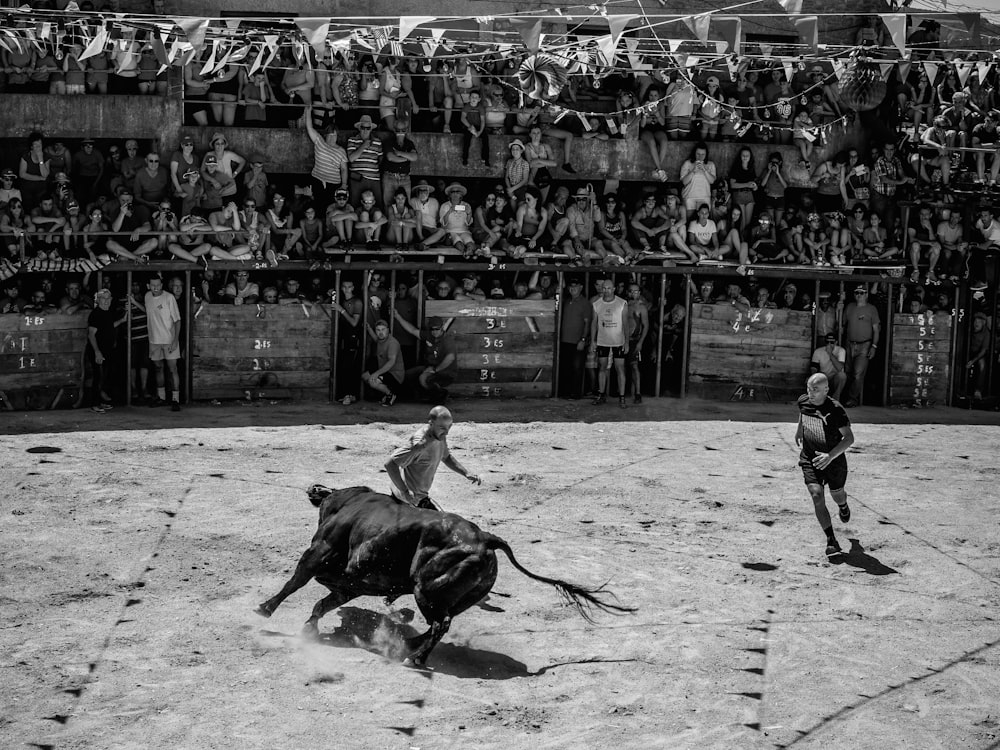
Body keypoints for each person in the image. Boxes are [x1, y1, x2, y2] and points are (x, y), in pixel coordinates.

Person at [795, 372, 855, 558]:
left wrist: (830, 456)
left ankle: (843, 505)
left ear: (826, 390)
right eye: (809, 389)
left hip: (834, 460)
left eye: (815, 390)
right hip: (810, 458)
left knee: (837, 495)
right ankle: (831, 540)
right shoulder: (804, 401)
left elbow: (849, 438)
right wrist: (799, 430)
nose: (811, 393)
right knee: (816, 494)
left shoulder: (835, 409)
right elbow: (803, 413)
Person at [384, 405, 482, 510]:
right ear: (431, 424)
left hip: (417, 497)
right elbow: (390, 464)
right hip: (411, 500)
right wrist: (405, 492)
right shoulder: (419, 444)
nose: (447, 432)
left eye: (449, 426)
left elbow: (446, 457)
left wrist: (465, 472)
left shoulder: (439, 436)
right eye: (442, 428)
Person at [589, 278, 628, 408]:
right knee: (602, 367)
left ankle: (622, 397)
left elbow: (626, 324)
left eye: (609, 288)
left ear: (614, 289)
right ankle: (601, 395)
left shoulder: (622, 303)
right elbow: (594, 323)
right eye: (604, 288)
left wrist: (626, 342)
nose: (606, 290)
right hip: (602, 341)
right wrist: (593, 340)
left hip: (618, 342)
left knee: (620, 368)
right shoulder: (597, 304)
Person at [145, 275, 182, 411]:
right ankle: (161, 398)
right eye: (153, 285)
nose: (156, 288)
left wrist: (175, 340)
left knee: (173, 369)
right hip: (154, 340)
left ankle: (175, 399)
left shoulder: (169, 298)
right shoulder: (147, 297)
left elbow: (177, 320)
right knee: (158, 368)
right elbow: (149, 312)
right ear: (148, 286)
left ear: (162, 285)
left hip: (169, 340)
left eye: (158, 285)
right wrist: (133, 302)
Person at [87, 288, 127, 413]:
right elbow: (91, 334)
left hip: (108, 350)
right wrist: (97, 352)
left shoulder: (108, 312)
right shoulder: (95, 314)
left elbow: (109, 327)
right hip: (98, 351)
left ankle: (100, 402)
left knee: (104, 377)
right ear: (98, 300)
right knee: (98, 377)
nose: (105, 301)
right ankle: (94, 404)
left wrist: (122, 320)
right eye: (103, 299)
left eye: (108, 298)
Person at [842, 283, 881, 408]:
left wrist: (874, 346)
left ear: (867, 295)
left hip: (864, 345)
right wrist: (839, 308)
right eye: (857, 292)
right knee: (846, 372)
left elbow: (876, 329)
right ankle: (843, 398)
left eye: (862, 293)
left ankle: (853, 399)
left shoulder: (871, 309)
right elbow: (842, 324)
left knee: (858, 374)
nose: (859, 295)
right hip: (849, 343)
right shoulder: (849, 307)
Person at [559, 277, 592, 399]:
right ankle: (565, 393)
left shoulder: (585, 303)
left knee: (577, 368)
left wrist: (583, 339)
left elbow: (587, 323)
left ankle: (576, 394)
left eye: (576, 286)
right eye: (571, 286)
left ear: (581, 287)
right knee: (565, 368)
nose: (573, 288)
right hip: (564, 341)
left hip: (577, 342)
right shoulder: (566, 301)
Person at [362, 318, 405, 406]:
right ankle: (384, 393)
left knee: (372, 381)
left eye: (383, 329)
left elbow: (391, 362)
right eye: (378, 330)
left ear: (388, 330)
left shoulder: (392, 343)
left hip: (395, 375)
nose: (380, 332)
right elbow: (376, 338)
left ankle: (390, 394)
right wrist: (369, 328)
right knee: (365, 376)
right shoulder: (381, 340)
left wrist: (376, 374)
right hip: (385, 372)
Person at [810, 332, 848, 401]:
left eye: (832, 342)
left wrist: (830, 354)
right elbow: (813, 367)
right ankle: (820, 399)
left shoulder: (841, 350)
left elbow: (840, 368)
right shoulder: (818, 351)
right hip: (824, 378)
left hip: (834, 379)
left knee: (842, 375)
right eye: (827, 342)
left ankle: (835, 400)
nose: (829, 344)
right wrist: (813, 377)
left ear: (836, 342)